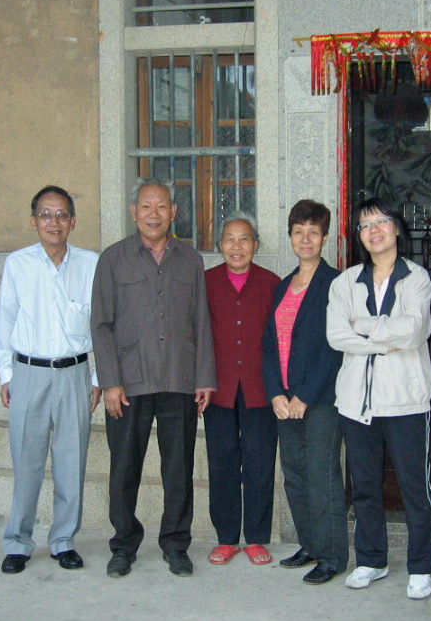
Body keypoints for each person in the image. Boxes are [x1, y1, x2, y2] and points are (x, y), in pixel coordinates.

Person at [91, 179, 216, 577]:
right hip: (129, 383)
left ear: (173, 212)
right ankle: (123, 545)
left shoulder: (190, 260)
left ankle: (176, 544)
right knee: (124, 469)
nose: (153, 214)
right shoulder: (113, 259)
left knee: (178, 470)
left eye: (161, 206)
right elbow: (101, 325)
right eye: (146, 206)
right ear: (133, 212)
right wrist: (109, 382)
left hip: (179, 379)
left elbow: (201, 321)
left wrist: (204, 378)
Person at [326, 197, 431, 599]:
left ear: (396, 228)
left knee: (414, 486)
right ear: (358, 236)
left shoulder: (417, 278)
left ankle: (422, 566)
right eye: (364, 225)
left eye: (381, 222)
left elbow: (415, 331)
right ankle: (371, 560)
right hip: (356, 402)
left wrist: (364, 326)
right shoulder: (345, 282)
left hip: (406, 400)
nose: (373, 231)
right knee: (365, 486)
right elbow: (336, 336)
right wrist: (382, 339)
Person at [0, 185, 101, 575]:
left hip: (74, 375)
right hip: (28, 374)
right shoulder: (18, 264)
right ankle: (18, 542)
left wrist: (97, 378)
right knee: (27, 463)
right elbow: (4, 320)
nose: (54, 222)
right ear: (34, 220)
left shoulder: (91, 264)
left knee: (71, 463)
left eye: (61, 215)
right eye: (45, 214)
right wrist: (7, 374)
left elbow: (103, 325)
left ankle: (63, 540)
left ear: (73, 221)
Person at [262, 199, 347, 585]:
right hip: (285, 400)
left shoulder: (336, 284)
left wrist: (304, 396)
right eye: (299, 232)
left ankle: (332, 555)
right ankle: (310, 545)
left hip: (321, 399)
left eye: (313, 232)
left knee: (322, 475)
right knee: (294, 474)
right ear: (291, 236)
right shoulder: (283, 286)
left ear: (325, 237)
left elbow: (334, 347)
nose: (306, 239)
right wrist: (275, 393)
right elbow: (269, 344)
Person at [203, 213, 280, 566]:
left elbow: (279, 341)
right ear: (220, 245)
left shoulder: (271, 284)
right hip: (217, 389)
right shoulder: (206, 282)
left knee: (259, 464)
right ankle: (226, 538)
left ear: (255, 245)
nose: (237, 246)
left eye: (244, 239)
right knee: (222, 464)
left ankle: (257, 538)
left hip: (259, 388)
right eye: (230, 239)